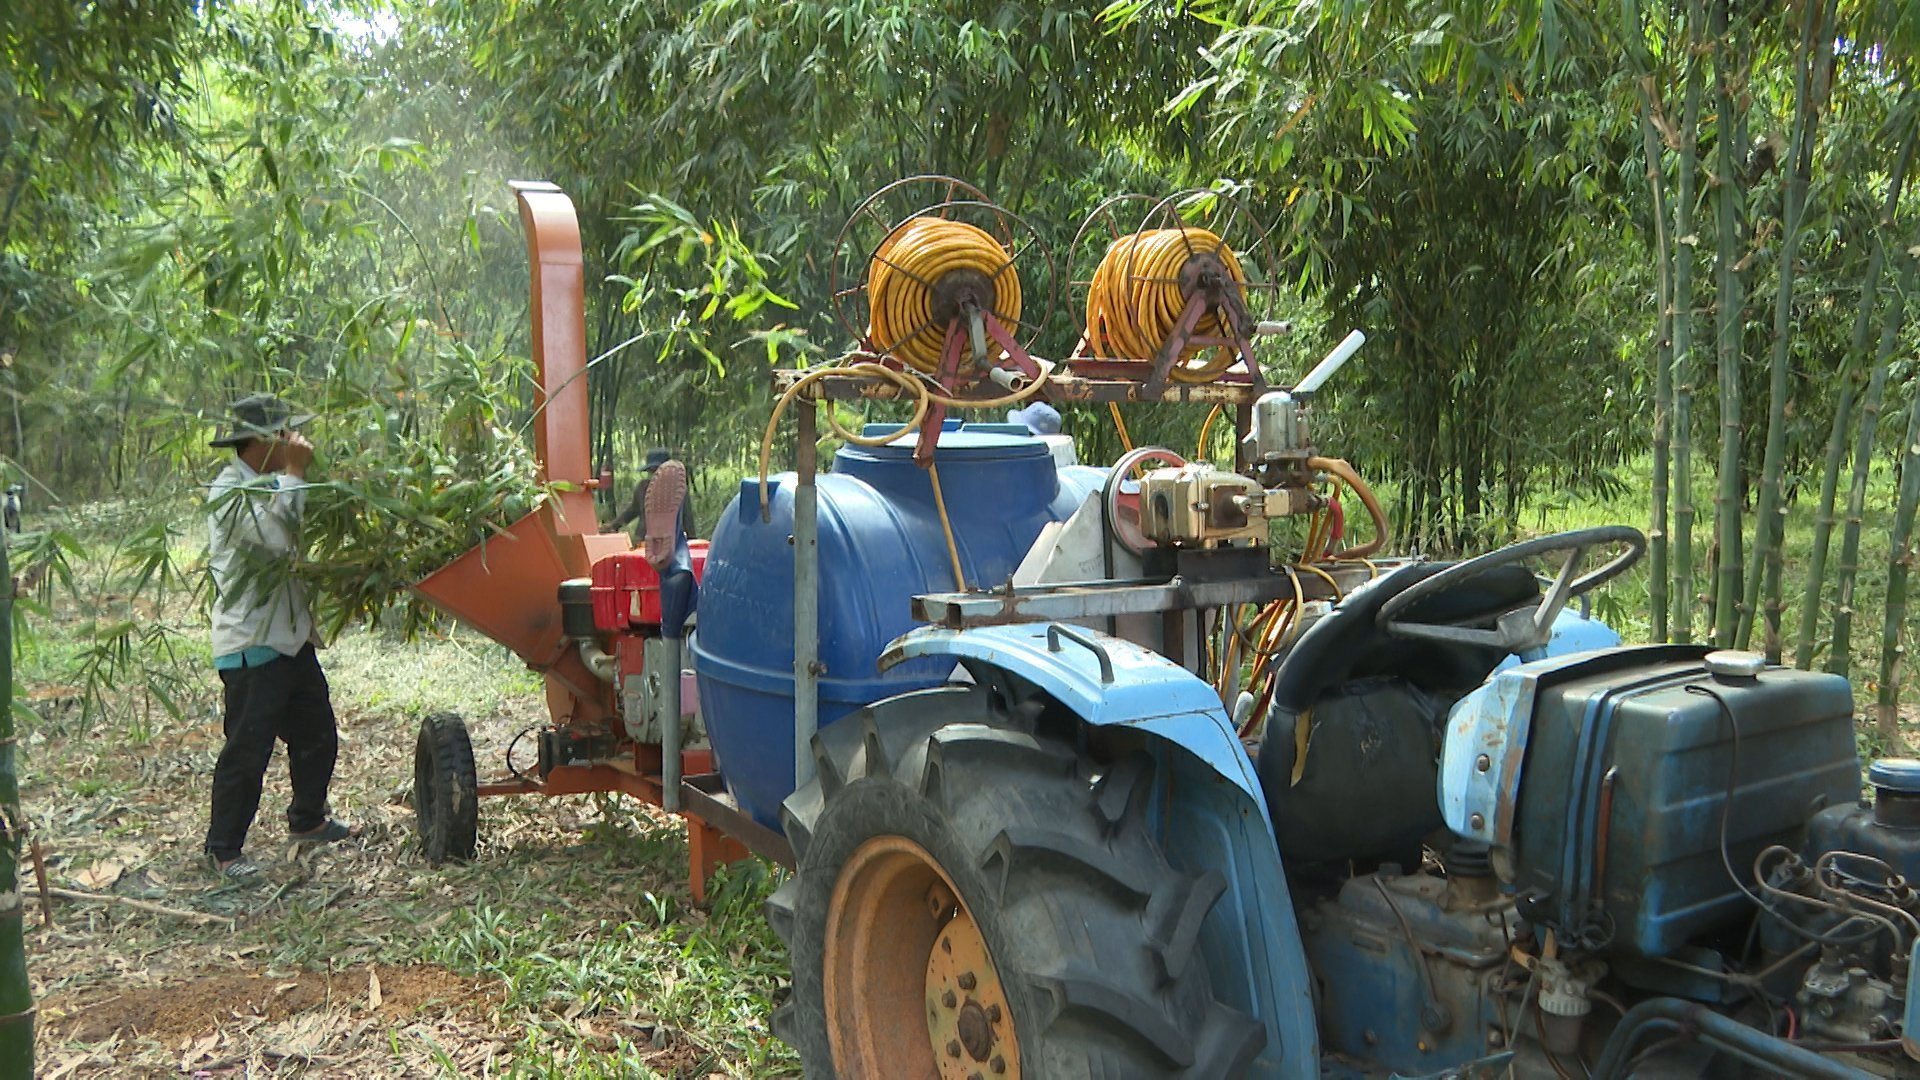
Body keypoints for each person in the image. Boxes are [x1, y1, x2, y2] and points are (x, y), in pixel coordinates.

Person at [203, 394, 352, 880]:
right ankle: (223, 850)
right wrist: (295, 473)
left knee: (317, 733)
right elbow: (277, 538)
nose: (293, 443)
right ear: (262, 440)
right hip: (253, 644)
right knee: (248, 750)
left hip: (290, 637)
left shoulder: (270, 480)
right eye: (284, 435)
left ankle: (307, 821)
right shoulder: (229, 491)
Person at [609, 447, 697, 545]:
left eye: (657, 469)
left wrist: (692, 542)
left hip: (671, 542)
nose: (655, 473)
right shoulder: (643, 487)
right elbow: (632, 511)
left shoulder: (678, 489)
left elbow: (687, 519)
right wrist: (613, 526)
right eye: (652, 470)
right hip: (644, 540)